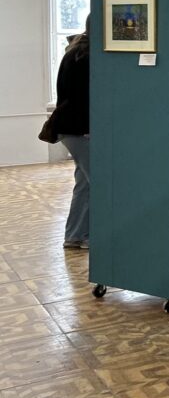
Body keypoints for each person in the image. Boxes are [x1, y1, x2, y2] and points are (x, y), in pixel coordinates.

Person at [53, 18, 91, 249]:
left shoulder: (76, 50)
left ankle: (76, 235)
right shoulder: (85, 56)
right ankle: (87, 236)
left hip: (70, 127)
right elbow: (84, 97)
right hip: (79, 128)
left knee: (85, 183)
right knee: (99, 182)